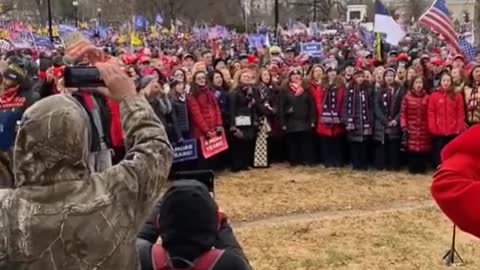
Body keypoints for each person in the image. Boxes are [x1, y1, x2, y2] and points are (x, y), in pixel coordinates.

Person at [0, 62, 173, 269]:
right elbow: (156, 150)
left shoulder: (6, 210)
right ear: (81, 137)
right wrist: (130, 97)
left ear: (24, 139)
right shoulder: (116, 192)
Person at [136, 180, 251, 270]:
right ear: (215, 225)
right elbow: (236, 255)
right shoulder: (230, 265)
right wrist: (223, 224)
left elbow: (138, 239)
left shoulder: (139, 259)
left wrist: (162, 204)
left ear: (158, 222)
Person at [0, 63, 38, 187]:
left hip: (16, 147)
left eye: (9, 79)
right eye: (5, 77)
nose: (5, 81)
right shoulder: (1, 93)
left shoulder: (29, 97)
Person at [428, 72, 466, 168]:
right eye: (444, 80)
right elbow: (431, 113)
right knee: (439, 150)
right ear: (440, 82)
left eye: (448, 80)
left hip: (453, 130)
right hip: (439, 130)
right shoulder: (434, 96)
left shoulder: (457, 96)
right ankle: (438, 166)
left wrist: (459, 127)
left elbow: (460, 113)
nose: (446, 83)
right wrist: (433, 128)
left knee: (451, 151)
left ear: (451, 82)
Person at [279, 68, 316, 166]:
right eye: (293, 75)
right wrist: (283, 121)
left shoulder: (306, 89)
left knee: (306, 142)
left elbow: (311, 106)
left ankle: (306, 159)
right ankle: (294, 160)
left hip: (305, 120)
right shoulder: (285, 90)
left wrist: (313, 119)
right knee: (292, 142)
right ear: (289, 77)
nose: (296, 76)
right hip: (291, 120)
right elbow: (281, 107)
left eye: (298, 75)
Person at [373, 68, 406, 171]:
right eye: (387, 76)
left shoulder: (400, 90)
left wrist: (396, 120)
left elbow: (403, 107)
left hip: (395, 122)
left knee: (394, 145)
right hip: (382, 124)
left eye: (391, 75)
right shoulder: (379, 90)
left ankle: (394, 165)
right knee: (382, 145)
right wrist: (385, 121)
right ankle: (383, 164)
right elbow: (376, 107)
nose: (389, 78)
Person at [342, 69, 373, 171]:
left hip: (365, 121)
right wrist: (346, 120)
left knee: (364, 144)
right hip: (353, 121)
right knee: (354, 144)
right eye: (358, 77)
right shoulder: (349, 90)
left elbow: (371, 106)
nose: (360, 79)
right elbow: (345, 106)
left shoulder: (368, 89)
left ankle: (364, 164)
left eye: (361, 76)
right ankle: (356, 164)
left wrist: (370, 119)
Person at [316, 66, 346, 167]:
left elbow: (343, 101)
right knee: (326, 142)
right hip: (324, 119)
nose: (332, 74)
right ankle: (327, 161)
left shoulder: (341, 87)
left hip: (337, 118)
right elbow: (318, 101)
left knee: (337, 141)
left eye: (334, 71)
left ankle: (338, 161)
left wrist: (340, 114)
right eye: (330, 71)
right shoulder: (322, 86)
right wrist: (323, 113)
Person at [400, 76, 431, 174]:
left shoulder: (427, 97)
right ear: (412, 84)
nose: (418, 85)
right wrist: (404, 126)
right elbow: (403, 113)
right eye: (416, 82)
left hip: (424, 128)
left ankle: (422, 168)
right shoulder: (407, 97)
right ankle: (412, 168)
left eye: (420, 82)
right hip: (411, 127)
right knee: (412, 149)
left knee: (423, 148)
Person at [229, 69, 257, 172]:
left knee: (247, 142)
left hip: (249, 119)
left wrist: (255, 119)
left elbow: (254, 107)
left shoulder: (252, 91)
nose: (247, 78)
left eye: (249, 77)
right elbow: (232, 109)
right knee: (238, 143)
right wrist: (233, 125)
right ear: (239, 78)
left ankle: (245, 164)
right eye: (245, 76)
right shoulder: (235, 92)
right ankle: (236, 165)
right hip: (239, 120)